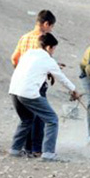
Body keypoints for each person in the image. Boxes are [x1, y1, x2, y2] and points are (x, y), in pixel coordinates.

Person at [9, 33, 79, 162]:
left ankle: (14, 149)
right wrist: (74, 90)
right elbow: (61, 78)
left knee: (26, 120)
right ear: (48, 47)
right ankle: (48, 153)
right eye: (53, 49)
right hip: (28, 93)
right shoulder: (48, 59)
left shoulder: (29, 54)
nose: (53, 52)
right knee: (52, 120)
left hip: (14, 91)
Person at [11, 10, 56, 157]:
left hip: (20, 84)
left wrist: (21, 73)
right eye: (51, 27)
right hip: (36, 83)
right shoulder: (42, 40)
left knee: (27, 117)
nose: (51, 30)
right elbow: (41, 62)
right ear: (46, 24)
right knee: (41, 116)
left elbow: (14, 58)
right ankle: (37, 149)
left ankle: (25, 147)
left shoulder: (24, 37)